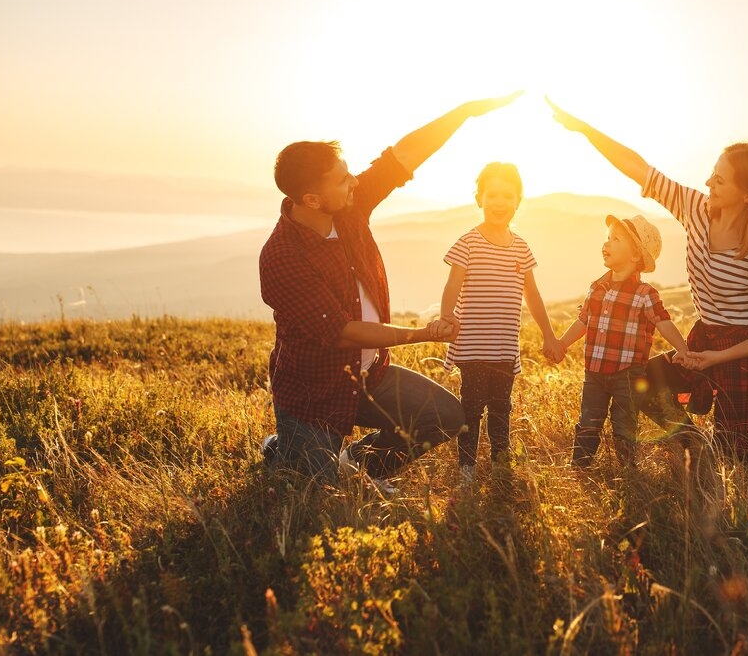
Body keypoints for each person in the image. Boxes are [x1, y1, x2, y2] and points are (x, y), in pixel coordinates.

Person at [546, 98, 748, 470]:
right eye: (711, 173)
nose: (708, 183)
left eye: (720, 180)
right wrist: (585, 130)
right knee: (642, 385)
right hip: (705, 337)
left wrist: (718, 358)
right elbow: (640, 170)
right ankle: (695, 447)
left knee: (744, 462)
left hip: (747, 354)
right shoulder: (696, 209)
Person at [259, 93, 521, 496]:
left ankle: (364, 463)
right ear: (311, 199)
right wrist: (422, 335)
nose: (355, 182)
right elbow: (344, 332)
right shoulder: (281, 257)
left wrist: (465, 113)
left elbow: (403, 156)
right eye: (343, 179)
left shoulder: (347, 205)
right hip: (315, 391)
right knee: (312, 494)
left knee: (446, 416)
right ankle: (285, 449)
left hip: (370, 374)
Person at [439, 162, 560, 485]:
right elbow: (453, 284)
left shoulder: (521, 247)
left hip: (505, 348)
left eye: (507, 195)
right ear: (479, 198)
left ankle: (501, 466)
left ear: (518, 200)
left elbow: (532, 294)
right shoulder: (469, 242)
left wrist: (549, 335)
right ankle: (466, 470)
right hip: (473, 346)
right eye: (492, 194)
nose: (499, 202)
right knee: (472, 410)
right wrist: (446, 315)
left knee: (501, 409)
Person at [548, 214, 690, 471]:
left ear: (636, 255)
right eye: (607, 238)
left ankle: (627, 470)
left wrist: (683, 349)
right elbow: (583, 321)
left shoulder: (645, 294)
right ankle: (580, 467)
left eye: (616, 239)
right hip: (594, 372)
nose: (607, 243)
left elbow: (663, 322)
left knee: (624, 423)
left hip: (628, 373)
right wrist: (562, 343)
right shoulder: (596, 287)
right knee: (589, 420)